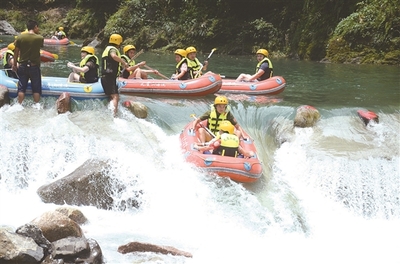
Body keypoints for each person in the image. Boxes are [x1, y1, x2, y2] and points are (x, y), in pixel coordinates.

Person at [12, 20, 44, 106]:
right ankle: (36, 106)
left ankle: (19, 105)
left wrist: (14, 64)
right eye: (37, 27)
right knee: (36, 89)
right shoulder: (40, 38)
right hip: (34, 66)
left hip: (22, 66)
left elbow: (16, 52)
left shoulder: (20, 37)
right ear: (35, 27)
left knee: (21, 88)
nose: (38, 29)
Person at [100, 33, 129, 116]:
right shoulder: (112, 49)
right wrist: (123, 62)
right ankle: (114, 116)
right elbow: (113, 56)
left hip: (105, 77)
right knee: (115, 96)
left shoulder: (107, 49)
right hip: (109, 77)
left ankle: (109, 113)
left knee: (111, 96)